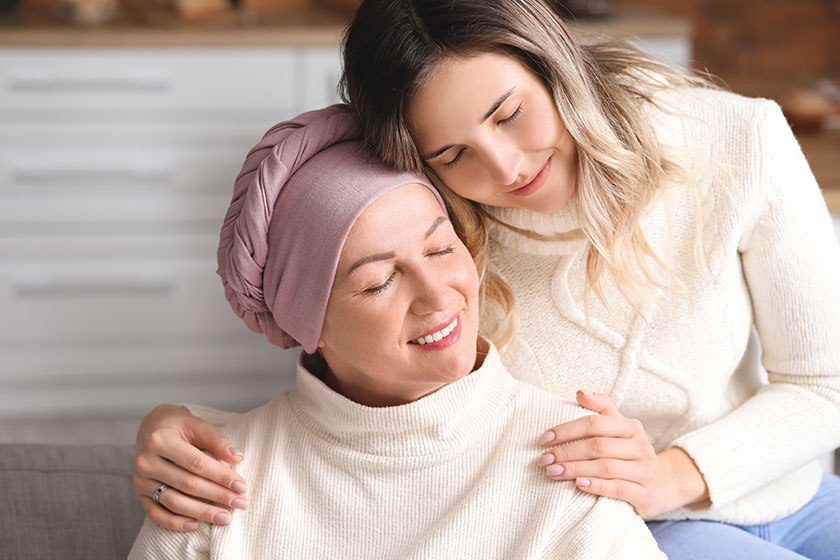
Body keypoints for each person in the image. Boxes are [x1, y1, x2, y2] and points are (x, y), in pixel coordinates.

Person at [133, 1, 840, 557]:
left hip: (784, 487)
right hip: (621, 525)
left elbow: (824, 384)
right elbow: (364, 398)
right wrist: (176, 424)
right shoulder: (437, 220)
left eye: (510, 115)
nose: (505, 168)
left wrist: (671, 475)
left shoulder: (736, 141)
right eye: (452, 153)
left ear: (552, 60)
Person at [128, 105, 666, 559]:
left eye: (441, 248)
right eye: (379, 282)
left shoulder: (576, 458)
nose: (438, 296)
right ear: (309, 324)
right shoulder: (212, 483)